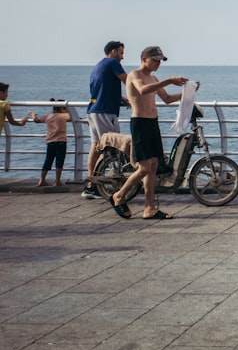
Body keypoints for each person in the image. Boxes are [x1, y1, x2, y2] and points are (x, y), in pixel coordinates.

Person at [111, 46, 189, 220]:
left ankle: (150, 208)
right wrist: (169, 80)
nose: (158, 63)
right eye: (155, 60)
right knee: (145, 167)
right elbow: (142, 90)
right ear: (144, 58)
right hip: (140, 124)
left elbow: (167, 99)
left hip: (153, 123)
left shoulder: (153, 78)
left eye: (160, 61)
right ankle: (119, 195)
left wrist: (187, 92)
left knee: (153, 166)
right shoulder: (134, 75)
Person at [82, 41, 128, 199]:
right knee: (110, 145)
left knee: (96, 146)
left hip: (94, 110)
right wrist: (142, 91)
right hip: (106, 112)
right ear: (114, 51)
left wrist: (121, 99)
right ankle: (101, 184)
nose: (122, 57)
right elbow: (127, 80)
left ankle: (91, 184)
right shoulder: (112, 62)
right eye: (121, 53)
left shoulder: (98, 66)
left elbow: (102, 90)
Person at [30, 99, 73, 187]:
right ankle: (57, 181)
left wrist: (33, 115)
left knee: (48, 161)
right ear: (62, 108)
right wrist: (67, 108)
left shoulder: (48, 116)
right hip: (61, 141)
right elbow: (71, 117)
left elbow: (37, 120)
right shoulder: (63, 116)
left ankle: (42, 180)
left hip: (50, 142)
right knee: (59, 161)